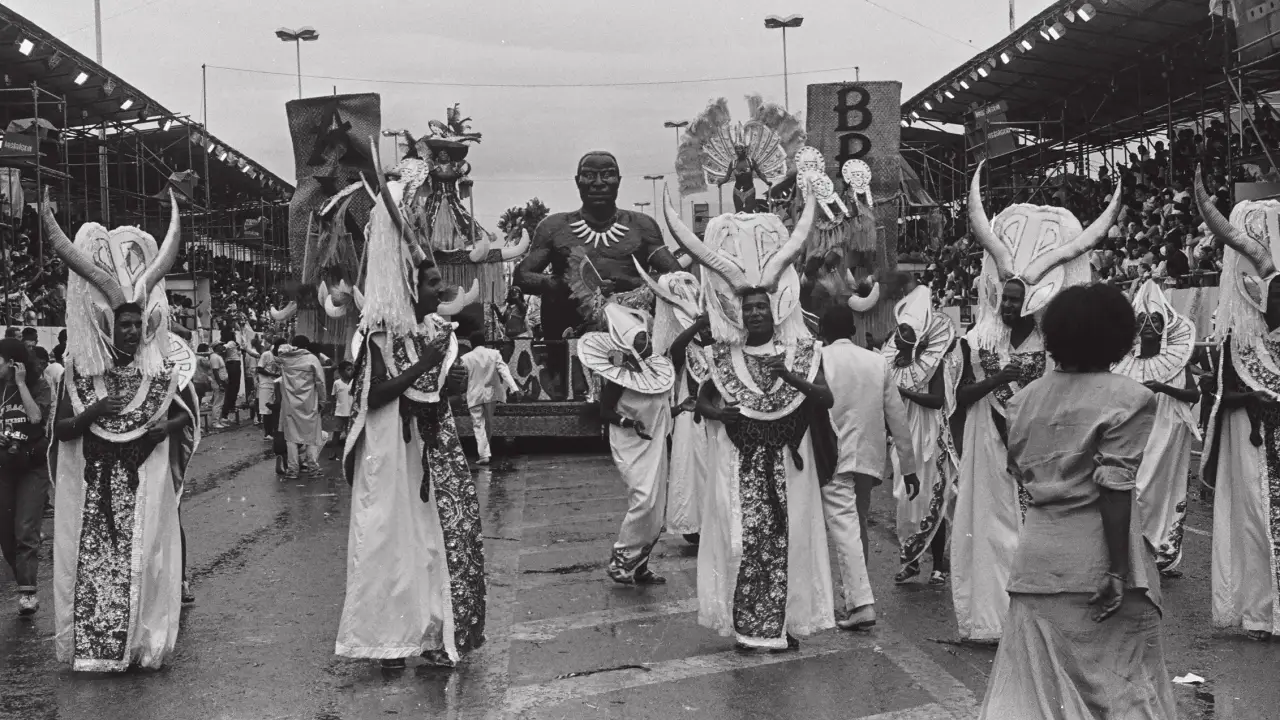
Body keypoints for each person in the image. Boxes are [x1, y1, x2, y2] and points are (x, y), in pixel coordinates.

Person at [978, 283, 1175, 719]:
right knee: (1124, 694)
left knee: (1038, 699)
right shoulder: (1131, 397)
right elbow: (1114, 487)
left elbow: (1023, 475)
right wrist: (1119, 571)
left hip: (1036, 565)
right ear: (1116, 338)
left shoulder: (1022, 401)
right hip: (1099, 564)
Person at [954, 163, 1120, 642]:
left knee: (1036, 535)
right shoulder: (977, 339)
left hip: (1041, 456)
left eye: (1015, 299)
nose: (1007, 306)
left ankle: (1040, 622)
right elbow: (961, 397)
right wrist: (997, 380)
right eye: (1003, 298)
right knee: (991, 533)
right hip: (989, 447)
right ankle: (992, 622)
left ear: (1032, 298)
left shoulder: (1056, 346)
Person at [669, 188, 835, 651]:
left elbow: (824, 399)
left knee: (792, 544)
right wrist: (716, 412)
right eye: (749, 307)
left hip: (790, 466)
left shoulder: (803, 352)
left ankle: (779, 626)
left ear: (776, 307)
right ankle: (748, 629)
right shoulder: (722, 356)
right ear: (740, 313)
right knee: (741, 542)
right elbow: (698, 397)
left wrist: (791, 378)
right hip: (738, 466)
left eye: (763, 305)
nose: (757, 312)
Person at [336, 151, 483, 670]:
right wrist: (420, 364)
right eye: (428, 282)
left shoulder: (436, 333)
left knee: (428, 544)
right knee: (386, 544)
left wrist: (452, 381)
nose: (439, 287)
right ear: (406, 285)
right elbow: (374, 395)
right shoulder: (378, 334)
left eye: (437, 280)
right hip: (388, 459)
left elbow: (438, 394)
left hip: (426, 457)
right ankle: (383, 641)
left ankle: (429, 633)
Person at [43, 194, 200, 671]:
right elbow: (64, 432)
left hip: (143, 492)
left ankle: (139, 648)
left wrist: (158, 433)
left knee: (145, 564)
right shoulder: (80, 373)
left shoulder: (159, 372)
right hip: (95, 495)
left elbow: (186, 420)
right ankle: (95, 652)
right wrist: (96, 414)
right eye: (123, 324)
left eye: (136, 323)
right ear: (109, 323)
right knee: (92, 568)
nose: (131, 332)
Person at [513, 151, 682, 394]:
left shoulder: (641, 226)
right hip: (568, 334)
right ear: (577, 181)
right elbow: (522, 276)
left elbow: (675, 277)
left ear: (619, 181)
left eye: (607, 175)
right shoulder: (554, 227)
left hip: (632, 335)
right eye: (590, 176)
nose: (599, 183)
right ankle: (564, 380)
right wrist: (562, 285)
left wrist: (634, 284)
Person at [1195, 172, 1280, 641]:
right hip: (1256, 447)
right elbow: (1223, 395)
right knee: (1254, 529)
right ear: (1258, 293)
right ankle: (1260, 614)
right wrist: (1257, 397)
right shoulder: (1237, 343)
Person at [819, 303, 918, 630]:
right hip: (870, 457)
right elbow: (897, 417)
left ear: (822, 332)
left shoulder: (819, 359)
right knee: (855, 522)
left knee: (845, 524)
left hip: (834, 455)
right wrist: (909, 466)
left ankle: (860, 603)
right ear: (853, 331)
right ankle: (855, 595)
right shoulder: (877, 362)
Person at [579, 303, 675, 584]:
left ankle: (640, 567)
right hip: (631, 445)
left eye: (647, 337)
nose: (646, 343)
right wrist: (628, 423)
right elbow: (605, 412)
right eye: (640, 339)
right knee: (643, 500)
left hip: (654, 444)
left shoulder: (656, 370)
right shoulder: (619, 377)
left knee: (657, 507)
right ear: (628, 343)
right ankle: (620, 562)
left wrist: (682, 408)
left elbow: (658, 414)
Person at [1112, 280, 1201, 576]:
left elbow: (1193, 395)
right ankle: (1132, 554)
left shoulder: (1177, 361)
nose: (1149, 325)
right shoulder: (1123, 361)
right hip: (1135, 433)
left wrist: (1163, 387)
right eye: (1143, 320)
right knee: (1136, 490)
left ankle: (1161, 554)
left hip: (1170, 432)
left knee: (1164, 493)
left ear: (1165, 326)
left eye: (1155, 320)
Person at [879, 285, 962, 586]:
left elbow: (937, 400)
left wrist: (904, 392)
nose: (897, 335)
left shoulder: (934, 364)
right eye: (898, 330)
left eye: (904, 331)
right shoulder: (893, 365)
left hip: (928, 435)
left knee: (930, 500)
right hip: (904, 436)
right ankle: (910, 562)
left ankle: (938, 566)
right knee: (905, 500)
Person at [639, 268, 711, 545]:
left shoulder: (714, 342)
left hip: (715, 416)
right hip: (691, 417)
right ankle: (694, 525)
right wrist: (696, 325)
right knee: (693, 469)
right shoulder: (684, 345)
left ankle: (712, 523)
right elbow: (676, 351)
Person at [0, 339, 52, 615]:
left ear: (12, 363)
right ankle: (23, 578)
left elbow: (35, 418)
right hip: (4, 467)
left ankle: (28, 592)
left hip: (32, 467)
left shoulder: (38, 386)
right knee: (6, 535)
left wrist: (20, 384)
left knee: (25, 529)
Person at [460, 331, 518, 467]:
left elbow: (462, 378)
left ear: (471, 343)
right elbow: (504, 370)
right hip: (491, 394)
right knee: (488, 422)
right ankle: (486, 449)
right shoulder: (494, 354)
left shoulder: (466, 358)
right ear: (484, 342)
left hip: (474, 394)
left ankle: (484, 454)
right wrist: (514, 388)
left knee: (478, 424)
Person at [277, 335, 326, 478]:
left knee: (291, 438)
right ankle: (313, 468)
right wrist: (323, 401)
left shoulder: (285, 359)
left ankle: (292, 470)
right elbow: (321, 383)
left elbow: (275, 355)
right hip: (309, 403)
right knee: (312, 436)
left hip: (290, 405)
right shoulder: (312, 359)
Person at [718, 143, 771, 213]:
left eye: (740, 149)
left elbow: (759, 173)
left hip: (750, 191)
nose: (738, 151)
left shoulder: (751, 162)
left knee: (748, 212)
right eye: (736, 149)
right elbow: (727, 177)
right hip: (737, 191)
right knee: (738, 213)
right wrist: (721, 182)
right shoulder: (733, 163)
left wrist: (766, 182)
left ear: (744, 150)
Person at [328, 361, 354, 461]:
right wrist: (332, 409)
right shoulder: (337, 383)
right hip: (339, 413)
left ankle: (349, 454)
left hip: (351, 413)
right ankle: (333, 453)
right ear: (341, 372)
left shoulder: (354, 382)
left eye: (351, 369)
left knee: (350, 434)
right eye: (348, 369)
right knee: (336, 434)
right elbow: (333, 397)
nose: (351, 372)